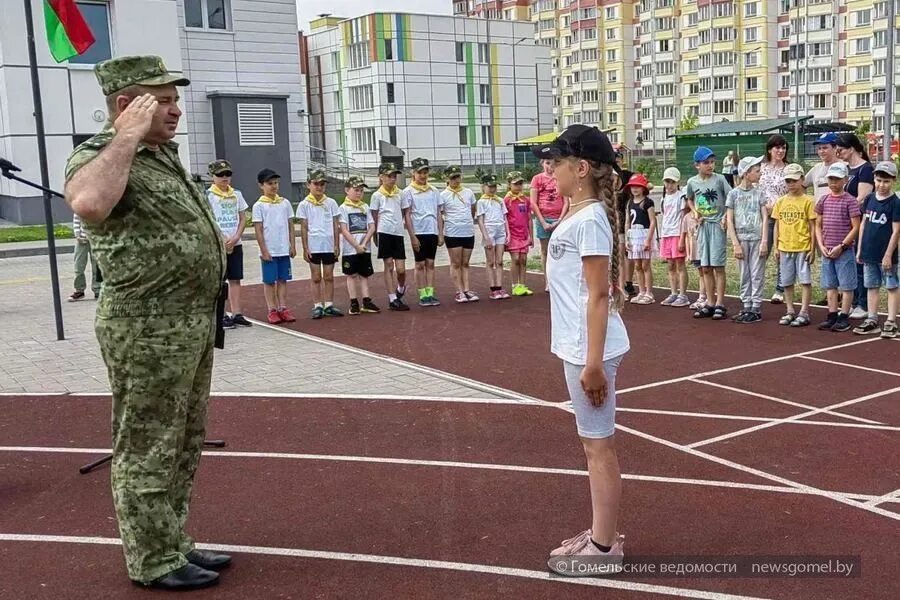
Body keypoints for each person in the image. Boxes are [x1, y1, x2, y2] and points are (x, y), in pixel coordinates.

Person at [64, 55, 229, 590]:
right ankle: (152, 559)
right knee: (147, 444)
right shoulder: (100, 155)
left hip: (189, 324)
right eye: (162, 100)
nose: (176, 110)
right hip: (147, 328)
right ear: (125, 105)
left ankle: (172, 542)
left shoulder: (164, 158)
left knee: (183, 441)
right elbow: (89, 204)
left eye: (175, 99)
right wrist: (126, 137)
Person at [532, 124, 630, 576]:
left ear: (582, 168)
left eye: (558, 163)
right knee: (593, 445)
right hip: (578, 346)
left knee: (598, 448)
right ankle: (600, 534)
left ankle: (605, 547)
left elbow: (598, 296)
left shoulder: (588, 220)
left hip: (589, 351)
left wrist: (593, 365)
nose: (550, 171)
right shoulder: (580, 215)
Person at [686, 146, 732, 320]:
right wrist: (694, 210)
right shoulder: (692, 182)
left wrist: (726, 216)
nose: (710, 165)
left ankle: (720, 302)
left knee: (718, 266)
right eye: (706, 162)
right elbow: (689, 198)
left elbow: (730, 197)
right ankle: (710, 302)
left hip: (717, 226)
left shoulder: (719, 179)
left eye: (712, 162)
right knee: (705, 267)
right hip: (703, 226)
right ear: (697, 165)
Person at [854, 161, 900, 337]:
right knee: (871, 286)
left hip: (886, 254)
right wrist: (860, 249)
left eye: (886, 181)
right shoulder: (870, 199)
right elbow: (864, 224)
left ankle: (891, 320)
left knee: (891, 286)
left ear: (893, 181)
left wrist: (888, 254)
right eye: (879, 180)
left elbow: (896, 231)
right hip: (868, 252)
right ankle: (872, 319)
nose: (881, 185)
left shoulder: (895, 203)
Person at [814, 162, 860, 333]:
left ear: (845, 180)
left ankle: (844, 316)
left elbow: (856, 226)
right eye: (831, 179)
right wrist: (821, 244)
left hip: (844, 251)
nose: (833, 183)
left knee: (846, 285)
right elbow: (818, 224)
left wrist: (843, 245)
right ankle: (832, 314)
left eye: (837, 179)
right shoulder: (824, 200)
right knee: (830, 284)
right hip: (827, 250)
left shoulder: (850, 201)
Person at [206, 159, 250, 328]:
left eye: (228, 174)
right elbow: (209, 219)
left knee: (235, 279)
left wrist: (236, 236)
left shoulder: (236, 194)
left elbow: (242, 217)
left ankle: (237, 313)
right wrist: (223, 239)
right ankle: (221, 314)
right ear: (213, 176)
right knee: (220, 281)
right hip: (219, 244)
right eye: (220, 175)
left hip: (235, 242)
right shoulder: (209, 196)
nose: (225, 178)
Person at [836, 133, 875, 320]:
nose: (838, 152)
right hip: (847, 222)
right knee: (849, 263)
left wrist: (844, 209)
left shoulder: (865, 169)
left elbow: (862, 199)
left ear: (851, 148)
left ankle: (863, 303)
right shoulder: (845, 169)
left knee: (860, 263)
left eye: (841, 149)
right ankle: (852, 300)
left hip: (859, 222)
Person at [772, 164, 817, 327]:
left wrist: (812, 248)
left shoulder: (809, 201)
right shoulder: (780, 202)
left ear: (802, 180)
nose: (791, 184)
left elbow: (813, 226)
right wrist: (776, 247)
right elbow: (777, 225)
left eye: (794, 180)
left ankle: (804, 311)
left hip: (802, 246)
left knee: (804, 281)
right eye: (788, 181)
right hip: (785, 247)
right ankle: (790, 310)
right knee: (786, 281)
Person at [726, 156, 768, 323]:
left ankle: (756, 308)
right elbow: (729, 219)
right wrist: (735, 243)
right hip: (741, 239)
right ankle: (746, 305)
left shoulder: (759, 193)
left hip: (757, 238)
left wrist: (764, 241)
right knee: (744, 273)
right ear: (746, 173)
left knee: (756, 273)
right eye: (756, 171)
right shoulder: (733, 194)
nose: (760, 174)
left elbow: (765, 217)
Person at [296, 169, 343, 319]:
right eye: (316, 184)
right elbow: (303, 227)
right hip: (314, 245)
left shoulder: (331, 203)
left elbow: (336, 225)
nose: (319, 187)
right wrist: (305, 247)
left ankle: (329, 304)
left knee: (329, 276)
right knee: (316, 276)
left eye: (322, 184)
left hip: (328, 244)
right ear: (308, 184)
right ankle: (317, 305)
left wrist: (336, 244)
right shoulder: (304, 205)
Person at [253, 168, 297, 324]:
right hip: (269, 250)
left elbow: (290, 224)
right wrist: (264, 249)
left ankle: (283, 307)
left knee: (283, 279)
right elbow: (258, 229)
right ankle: (271, 309)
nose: (273, 186)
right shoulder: (259, 206)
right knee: (270, 281)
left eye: (276, 183)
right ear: (261, 185)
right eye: (269, 183)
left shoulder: (284, 203)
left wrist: (292, 244)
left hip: (283, 248)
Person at [403, 157, 444, 307]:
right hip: (418, 231)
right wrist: (412, 236)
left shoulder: (434, 191)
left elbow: (438, 213)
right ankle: (422, 294)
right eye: (420, 172)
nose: (423, 175)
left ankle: (430, 292)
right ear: (413, 173)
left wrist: (440, 233)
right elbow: (407, 214)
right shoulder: (408, 192)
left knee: (430, 263)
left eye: (425, 172)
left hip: (431, 231)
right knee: (420, 264)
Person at [370, 162, 411, 311]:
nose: (392, 179)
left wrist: (411, 234)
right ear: (381, 177)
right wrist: (375, 233)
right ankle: (392, 298)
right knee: (388, 265)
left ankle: (400, 287)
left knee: (401, 269)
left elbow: (405, 212)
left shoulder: (400, 193)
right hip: (384, 232)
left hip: (397, 233)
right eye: (389, 176)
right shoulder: (377, 195)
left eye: (394, 176)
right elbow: (374, 215)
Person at [339, 176, 380, 315]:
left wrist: (364, 243)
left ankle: (366, 300)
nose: (359, 193)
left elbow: (372, 226)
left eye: (361, 191)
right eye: (356, 190)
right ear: (347, 190)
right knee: (351, 275)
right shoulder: (343, 208)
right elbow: (344, 229)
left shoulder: (365, 207)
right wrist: (356, 245)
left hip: (365, 247)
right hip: (350, 249)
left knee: (364, 274)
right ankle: (353, 302)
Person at [440, 165, 479, 302]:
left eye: (458, 177)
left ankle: (467, 289)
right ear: (447, 179)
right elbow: (440, 214)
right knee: (456, 263)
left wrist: (468, 221)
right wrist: (441, 233)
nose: (456, 180)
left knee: (466, 263)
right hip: (453, 232)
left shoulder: (468, 192)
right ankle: (459, 290)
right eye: (453, 178)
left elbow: (473, 209)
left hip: (467, 231)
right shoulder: (443, 195)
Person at [759, 134, 790, 304]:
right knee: (762, 251)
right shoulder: (762, 168)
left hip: (783, 217)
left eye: (784, 147)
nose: (781, 151)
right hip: (765, 217)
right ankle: (757, 285)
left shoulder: (788, 168)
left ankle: (780, 288)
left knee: (781, 253)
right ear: (770, 149)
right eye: (777, 147)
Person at [531, 158, 569, 291]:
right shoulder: (537, 179)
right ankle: (548, 281)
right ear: (542, 163)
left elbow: (566, 201)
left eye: (551, 163)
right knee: (545, 250)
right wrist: (543, 222)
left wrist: (560, 219)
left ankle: (560, 280)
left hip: (558, 218)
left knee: (561, 250)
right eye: (547, 163)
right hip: (544, 219)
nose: (549, 166)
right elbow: (533, 202)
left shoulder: (559, 177)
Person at [476, 173, 511, 299]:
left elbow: (504, 217)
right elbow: (480, 220)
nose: (492, 189)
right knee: (491, 261)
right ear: (484, 187)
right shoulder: (481, 202)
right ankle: (493, 288)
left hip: (500, 230)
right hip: (489, 231)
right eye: (490, 186)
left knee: (500, 261)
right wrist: (486, 237)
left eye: (494, 186)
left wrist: (508, 233)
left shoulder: (500, 200)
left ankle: (500, 286)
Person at [624, 174, 656, 304]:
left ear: (643, 188)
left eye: (638, 186)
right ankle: (641, 290)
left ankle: (649, 292)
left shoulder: (648, 202)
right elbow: (627, 221)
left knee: (645, 265)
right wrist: (627, 238)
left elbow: (653, 221)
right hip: (633, 235)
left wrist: (648, 239)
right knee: (637, 265)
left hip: (644, 234)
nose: (635, 189)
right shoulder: (629, 203)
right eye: (633, 186)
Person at [505, 171, 534, 296]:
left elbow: (529, 218)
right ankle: (514, 285)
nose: (518, 186)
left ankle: (522, 285)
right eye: (515, 184)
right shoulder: (506, 200)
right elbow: (505, 218)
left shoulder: (525, 200)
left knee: (523, 259)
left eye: (520, 183)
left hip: (523, 234)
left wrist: (530, 235)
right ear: (509, 185)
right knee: (515, 259)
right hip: (513, 234)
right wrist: (507, 234)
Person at [68, 212, 101, 301]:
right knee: (78, 266)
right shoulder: (80, 202)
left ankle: (98, 290)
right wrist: (77, 235)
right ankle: (79, 290)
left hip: (95, 239)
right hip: (81, 240)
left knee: (96, 266)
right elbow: (76, 219)